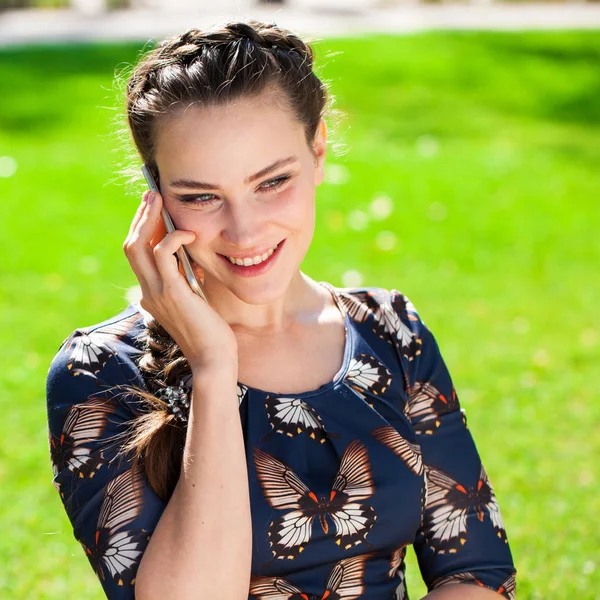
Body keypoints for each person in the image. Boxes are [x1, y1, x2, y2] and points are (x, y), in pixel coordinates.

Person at [45, 19, 517, 600]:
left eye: (271, 182)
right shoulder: (101, 371)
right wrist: (213, 368)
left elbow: (478, 576)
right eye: (200, 196)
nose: (244, 232)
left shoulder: (390, 331)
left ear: (317, 150)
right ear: (156, 197)